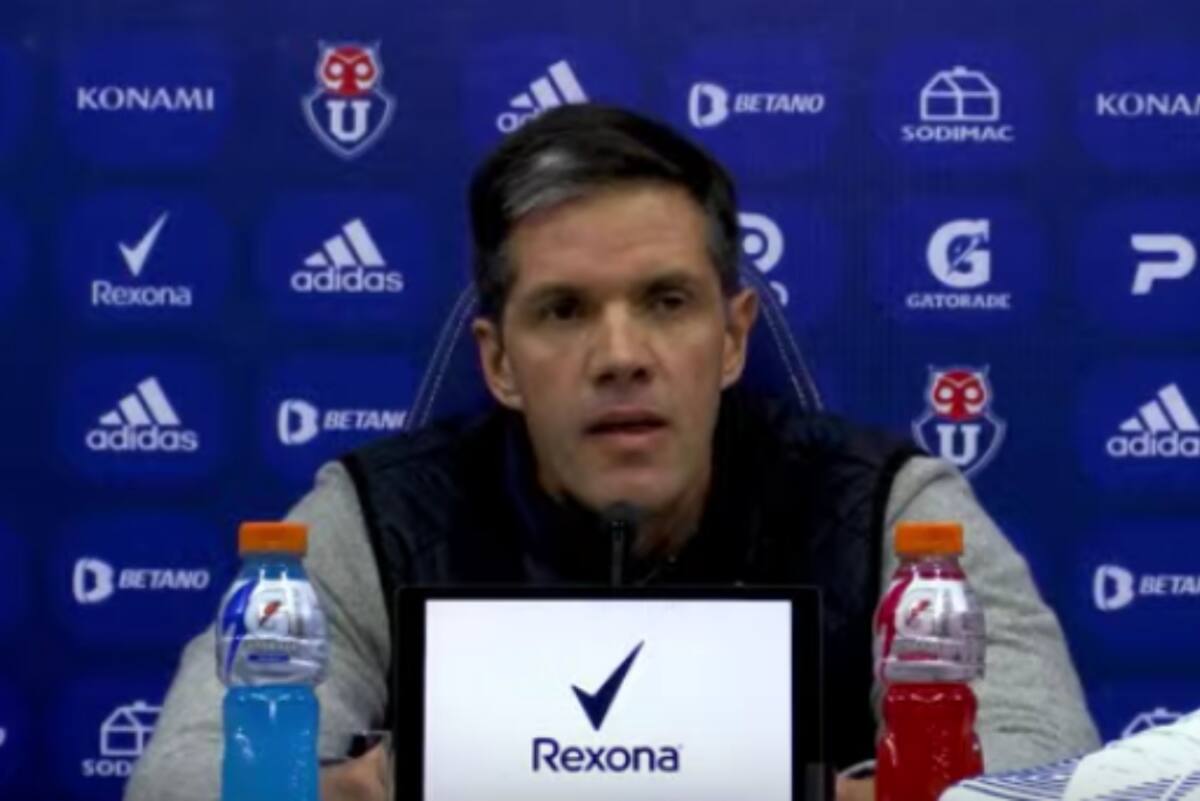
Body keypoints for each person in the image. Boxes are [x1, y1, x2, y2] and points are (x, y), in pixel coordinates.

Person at [127, 104, 1098, 801]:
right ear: (498, 362)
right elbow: (184, 777)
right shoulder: (378, 517)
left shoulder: (886, 507)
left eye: (667, 302)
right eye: (564, 311)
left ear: (733, 338)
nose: (622, 356)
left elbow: (1047, 776)